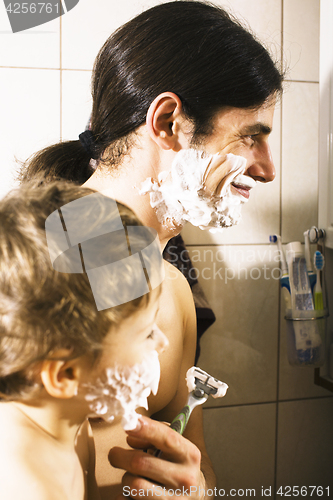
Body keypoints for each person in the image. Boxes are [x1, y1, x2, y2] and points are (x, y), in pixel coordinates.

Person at [20, 1, 284, 497]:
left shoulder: (175, 290)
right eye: (251, 137)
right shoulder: (31, 264)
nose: (268, 170)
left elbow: (194, 464)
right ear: (167, 123)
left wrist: (196, 489)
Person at [0, 179, 169, 500]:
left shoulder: (69, 426)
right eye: (147, 332)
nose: (163, 343)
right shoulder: (22, 485)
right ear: (65, 374)